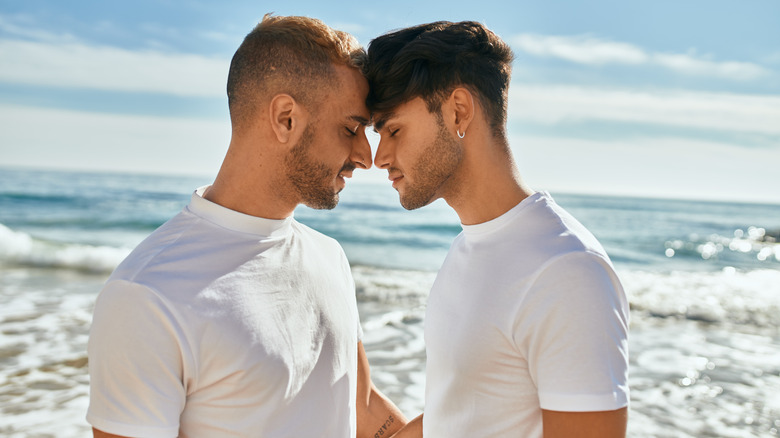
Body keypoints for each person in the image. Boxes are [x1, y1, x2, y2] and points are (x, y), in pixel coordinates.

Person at [87, 14, 411, 438]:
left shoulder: (329, 257)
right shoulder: (149, 295)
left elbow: (364, 410)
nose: (365, 156)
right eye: (351, 128)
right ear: (285, 119)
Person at [364, 21, 630, 437]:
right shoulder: (468, 248)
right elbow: (459, 416)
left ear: (458, 111)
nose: (380, 157)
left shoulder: (567, 271)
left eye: (393, 130)